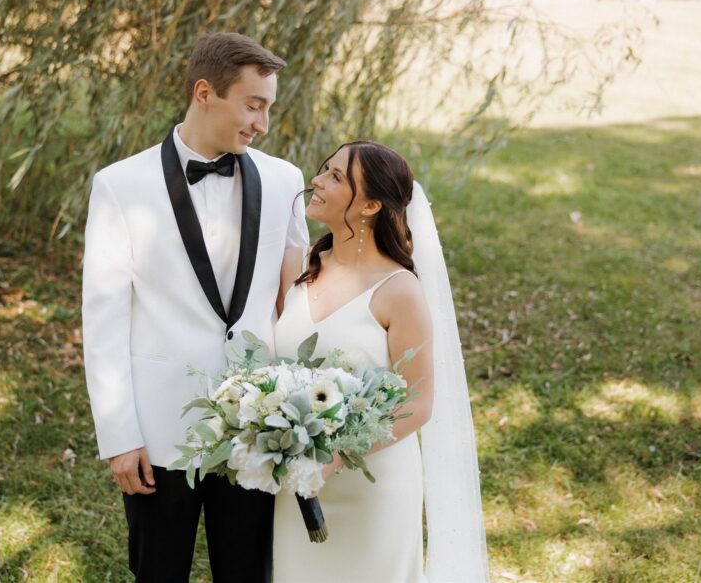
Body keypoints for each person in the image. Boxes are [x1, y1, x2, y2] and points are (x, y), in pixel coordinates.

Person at [81, 32, 309, 582]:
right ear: (205, 92)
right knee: (158, 572)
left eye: (269, 108)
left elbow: (297, 302)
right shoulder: (119, 186)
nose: (263, 124)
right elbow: (104, 321)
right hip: (160, 433)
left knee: (248, 573)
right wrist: (119, 436)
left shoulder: (285, 182)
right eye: (253, 105)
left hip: (257, 430)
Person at [272, 141, 489, 582]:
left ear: (370, 205)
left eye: (335, 177)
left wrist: (335, 456)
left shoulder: (399, 289)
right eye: (324, 169)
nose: (316, 180)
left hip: (373, 486)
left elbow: (419, 402)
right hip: (294, 484)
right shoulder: (298, 265)